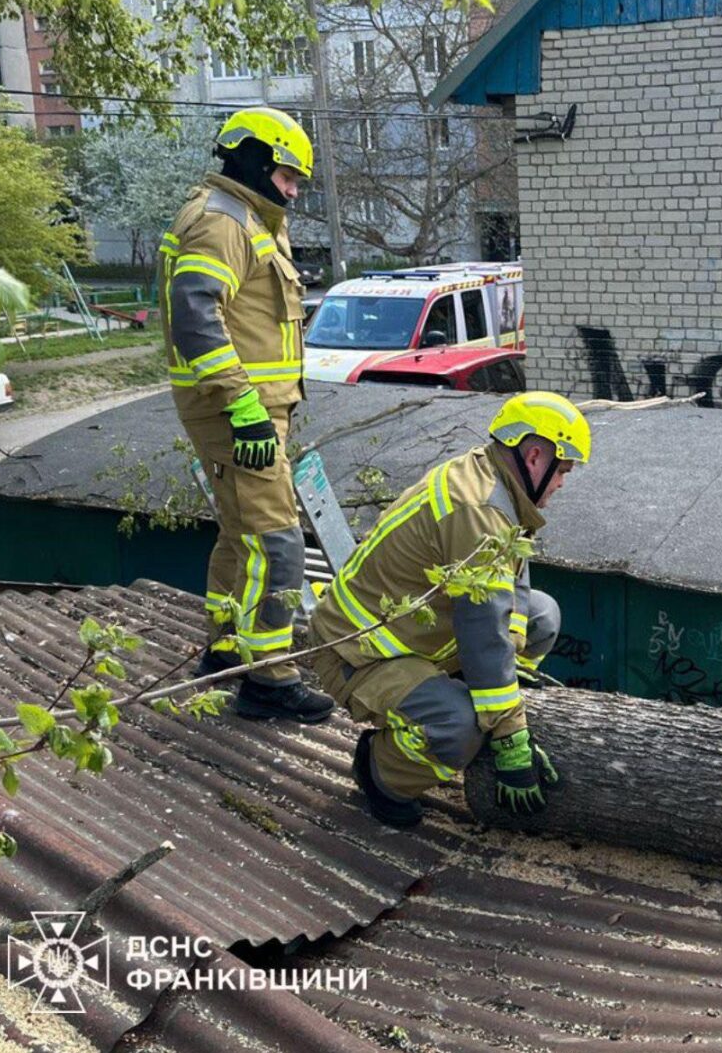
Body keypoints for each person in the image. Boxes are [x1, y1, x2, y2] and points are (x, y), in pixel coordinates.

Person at [307, 392, 589, 828]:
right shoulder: (478, 509)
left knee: (541, 617)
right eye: (563, 471)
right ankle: (380, 771)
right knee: (458, 725)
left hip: (420, 633)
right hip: (360, 652)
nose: (562, 484)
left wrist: (509, 658)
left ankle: (474, 701)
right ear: (535, 456)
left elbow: (512, 584)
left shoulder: (497, 482)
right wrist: (510, 734)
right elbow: (482, 632)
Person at [159, 106, 333, 725]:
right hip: (238, 412)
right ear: (257, 160)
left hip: (246, 409)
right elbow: (196, 317)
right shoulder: (223, 221)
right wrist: (245, 408)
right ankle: (270, 677)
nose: (293, 189)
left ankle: (226, 648)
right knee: (278, 543)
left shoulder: (247, 216)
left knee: (239, 534)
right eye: (288, 175)